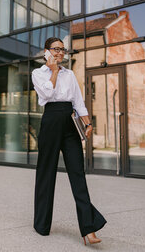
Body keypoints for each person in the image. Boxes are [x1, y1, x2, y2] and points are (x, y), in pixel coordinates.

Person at [32, 37, 106, 245]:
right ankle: (42, 225)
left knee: (77, 173)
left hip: (70, 121)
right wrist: (53, 70)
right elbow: (46, 94)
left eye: (62, 50)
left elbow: (78, 101)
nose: (59, 53)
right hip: (51, 119)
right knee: (46, 172)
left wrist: (88, 123)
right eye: (55, 49)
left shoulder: (70, 74)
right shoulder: (38, 73)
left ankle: (88, 229)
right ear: (46, 51)